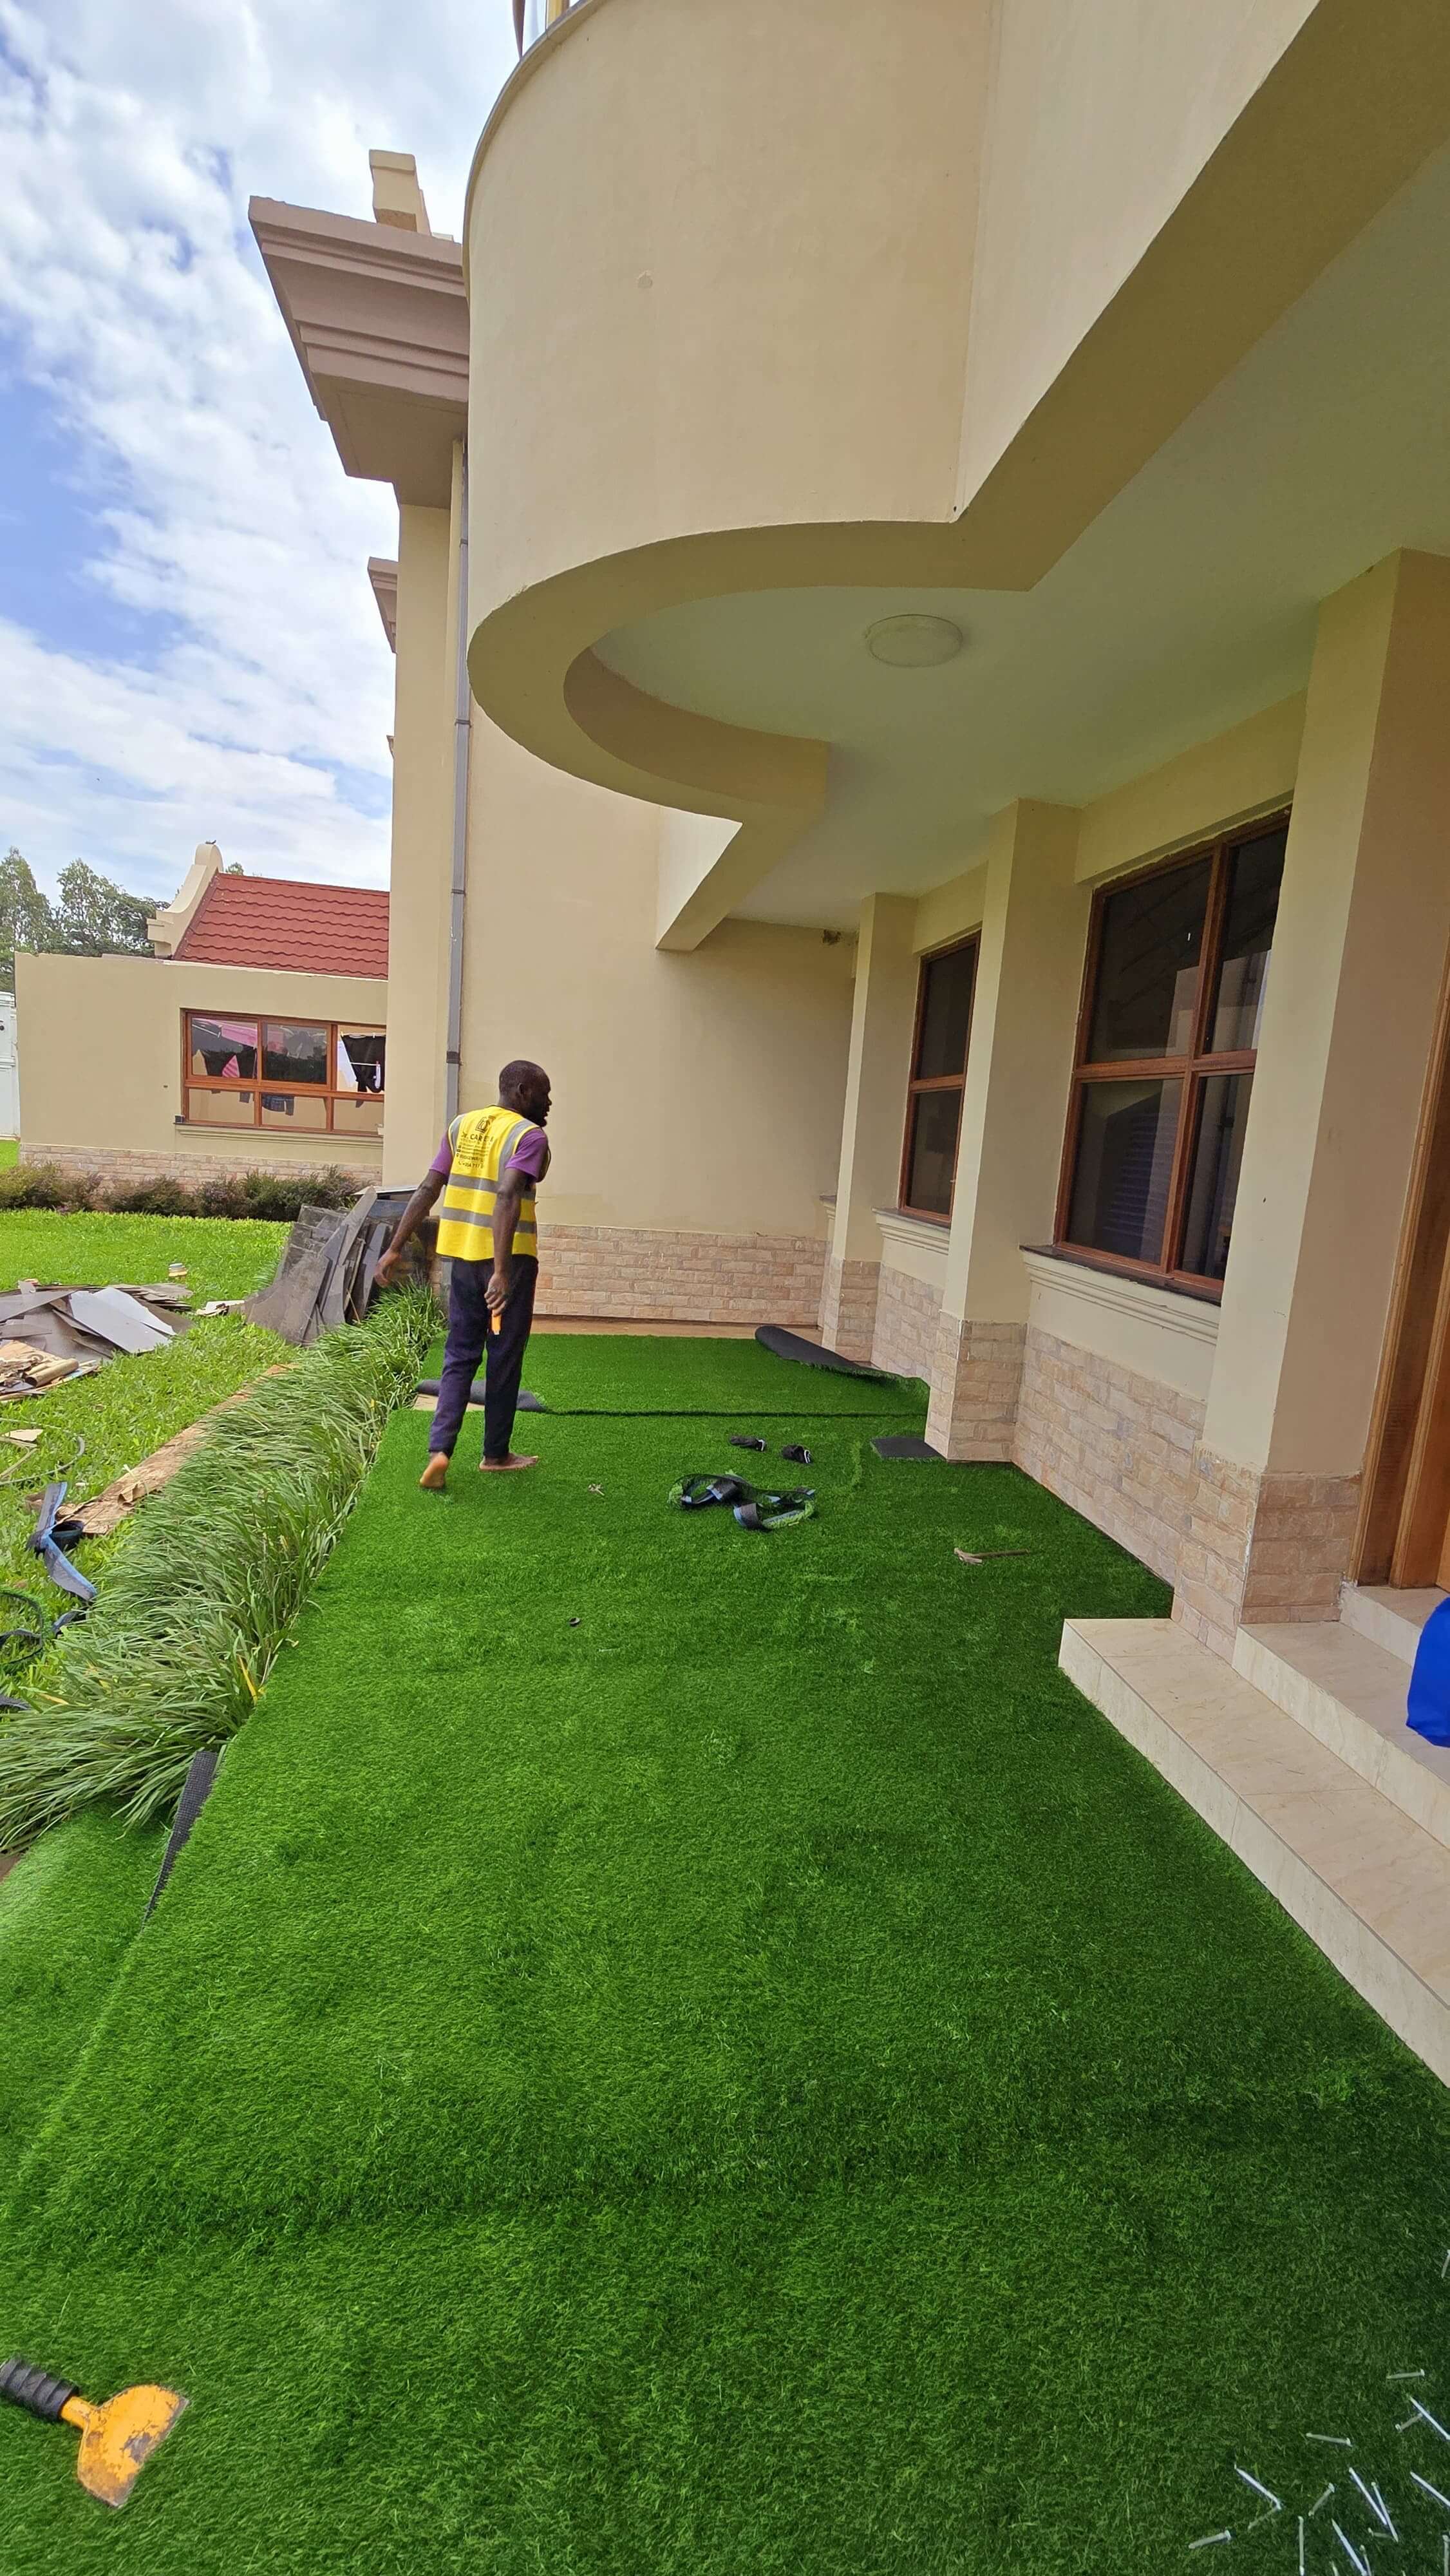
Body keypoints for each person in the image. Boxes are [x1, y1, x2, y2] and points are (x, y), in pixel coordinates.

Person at [375, 1059, 552, 1489]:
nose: (549, 1103)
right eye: (545, 1093)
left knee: (459, 1357)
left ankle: (439, 1452)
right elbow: (509, 1193)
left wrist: (395, 1247)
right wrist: (503, 1271)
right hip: (506, 1267)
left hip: (462, 1265)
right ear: (524, 1091)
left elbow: (428, 1188)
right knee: (504, 1359)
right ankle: (495, 1455)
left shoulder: (462, 1126)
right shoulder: (528, 1135)